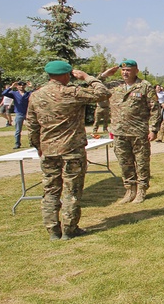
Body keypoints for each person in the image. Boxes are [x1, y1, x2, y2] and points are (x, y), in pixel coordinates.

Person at [26, 61, 110, 240]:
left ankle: (53, 231)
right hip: (71, 150)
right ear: (66, 75)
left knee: (50, 191)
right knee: (71, 191)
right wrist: (87, 77)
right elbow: (103, 93)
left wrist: (38, 146)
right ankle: (69, 229)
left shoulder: (36, 96)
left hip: (49, 151)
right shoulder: (71, 92)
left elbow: (32, 126)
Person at [100, 59, 162, 204]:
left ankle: (141, 190)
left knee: (141, 163)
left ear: (136, 71)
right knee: (124, 163)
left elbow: (154, 109)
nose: (125, 73)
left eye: (128, 70)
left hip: (138, 132)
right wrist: (103, 75)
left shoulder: (144, 86)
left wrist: (153, 129)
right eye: (123, 70)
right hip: (119, 132)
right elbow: (94, 89)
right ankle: (130, 189)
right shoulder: (114, 86)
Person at [2, 80, 33, 149]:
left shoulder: (28, 93)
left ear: (25, 86)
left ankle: (32, 142)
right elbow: (4, 93)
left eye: (23, 85)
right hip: (19, 113)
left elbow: (37, 92)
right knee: (18, 130)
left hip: (28, 113)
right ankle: (17, 143)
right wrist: (11, 87)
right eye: (20, 85)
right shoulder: (14, 93)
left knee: (31, 129)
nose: (21, 86)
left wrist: (31, 87)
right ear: (17, 86)